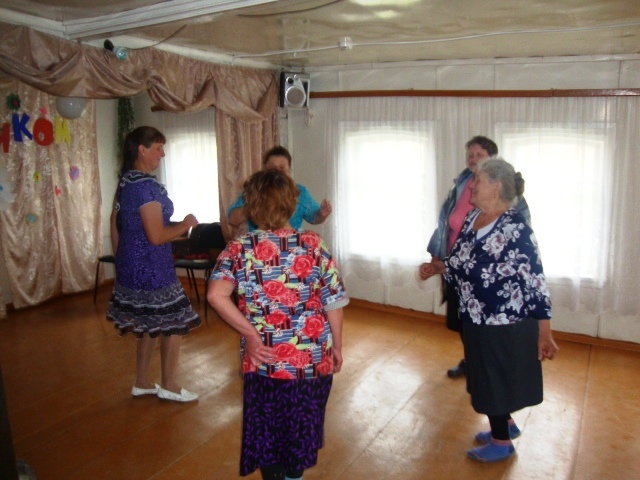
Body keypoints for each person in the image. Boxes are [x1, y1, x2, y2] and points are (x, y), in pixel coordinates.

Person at [208, 169, 348, 480]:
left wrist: (251, 335)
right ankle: (294, 475)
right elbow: (334, 301)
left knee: (268, 431)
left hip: (264, 361)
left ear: (251, 206)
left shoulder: (239, 248)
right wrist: (337, 347)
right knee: (301, 428)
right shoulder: (314, 244)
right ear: (291, 204)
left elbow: (216, 295)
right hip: (311, 361)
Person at [419, 158, 558, 462]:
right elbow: (460, 261)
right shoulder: (473, 218)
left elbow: (535, 279)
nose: (471, 186)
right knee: (485, 374)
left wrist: (544, 331)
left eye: (478, 180)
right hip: (475, 315)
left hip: (504, 320)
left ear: (496, 187)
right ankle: (506, 425)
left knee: (494, 379)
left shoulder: (515, 228)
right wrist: (438, 267)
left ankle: (501, 442)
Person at [106, 126, 201, 403]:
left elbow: (115, 224)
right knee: (174, 321)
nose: (162, 154)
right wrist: (186, 223)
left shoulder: (126, 182)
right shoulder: (145, 187)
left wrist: (121, 260)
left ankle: (142, 381)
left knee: (149, 322)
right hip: (151, 266)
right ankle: (169, 385)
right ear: (142, 150)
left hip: (132, 264)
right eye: (158, 148)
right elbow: (156, 236)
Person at [426, 136, 530, 378]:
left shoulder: (505, 188)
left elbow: (521, 235)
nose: (472, 160)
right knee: (463, 320)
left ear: (491, 159)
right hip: (456, 264)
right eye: (469, 155)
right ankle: (472, 361)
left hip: (487, 274)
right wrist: (437, 255)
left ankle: (487, 368)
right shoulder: (462, 183)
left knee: (484, 324)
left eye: (478, 155)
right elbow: (445, 219)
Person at [227, 146, 332, 233]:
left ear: (289, 170)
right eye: (272, 168)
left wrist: (321, 214)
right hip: (258, 244)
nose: (276, 172)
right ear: (264, 169)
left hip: (291, 244)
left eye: (281, 168)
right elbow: (232, 219)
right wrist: (256, 206)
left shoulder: (300, 192)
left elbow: (314, 218)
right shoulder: (254, 191)